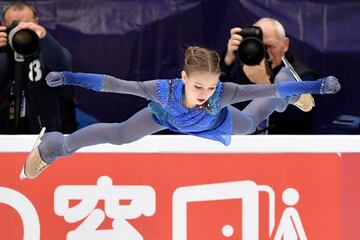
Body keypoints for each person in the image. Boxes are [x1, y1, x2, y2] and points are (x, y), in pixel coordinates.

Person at [19, 46, 340, 179]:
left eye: (211, 87)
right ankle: (55, 146)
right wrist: (70, 78)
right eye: (199, 87)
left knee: (254, 119)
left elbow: (265, 91)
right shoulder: (161, 90)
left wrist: (316, 87)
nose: (205, 94)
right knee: (119, 135)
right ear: (184, 78)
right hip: (164, 116)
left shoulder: (223, 94)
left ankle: (288, 80)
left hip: (216, 122)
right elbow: (113, 84)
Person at [221, 17, 317, 134]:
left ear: (285, 44)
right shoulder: (239, 72)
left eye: (270, 46)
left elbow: (297, 123)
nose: (264, 53)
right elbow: (214, 104)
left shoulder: (302, 76)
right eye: (258, 46)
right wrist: (227, 62)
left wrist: (265, 83)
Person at [0, 0, 77, 134]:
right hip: (5, 134)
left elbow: (64, 67)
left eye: (26, 24)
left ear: (36, 22)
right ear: (3, 26)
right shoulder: (2, 52)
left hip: (48, 133)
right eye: (14, 25)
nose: (20, 30)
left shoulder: (49, 51)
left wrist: (45, 38)